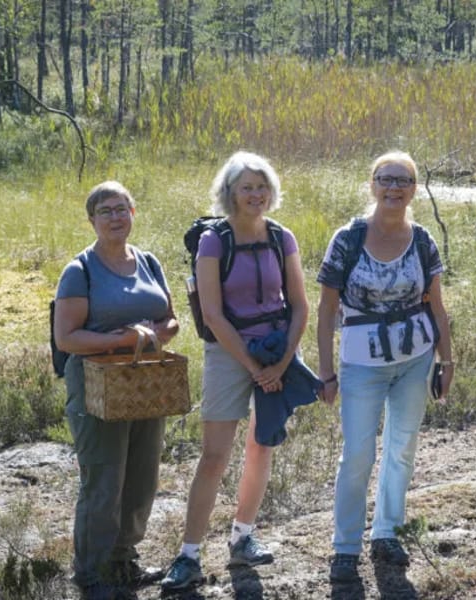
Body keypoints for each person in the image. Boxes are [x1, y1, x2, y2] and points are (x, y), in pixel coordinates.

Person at [160, 152, 310, 593]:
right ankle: (188, 555)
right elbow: (212, 314)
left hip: (276, 351)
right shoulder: (214, 241)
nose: (256, 195)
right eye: (246, 187)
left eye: (261, 186)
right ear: (230, 193)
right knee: (214, 455)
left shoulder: (282, 238)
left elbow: (299, 304)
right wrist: (253, 366)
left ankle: (243, 537)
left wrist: (280, 363)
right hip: (229, 353)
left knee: (262, 446)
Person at [316, 151, 454, 583]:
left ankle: (387, 532)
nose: (394, 188)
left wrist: (446, 359)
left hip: (416, 359)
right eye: (386, 179)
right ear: (373, 185)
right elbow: (325, 310)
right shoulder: (347, 239)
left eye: (403, 181)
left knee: (402, 446)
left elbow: (436, 305)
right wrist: (326, 370)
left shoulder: (424, 240)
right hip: (361, 363)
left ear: (414, 189)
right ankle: (345, 546)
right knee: (358, 453)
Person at [53, 181, 180, 600]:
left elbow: (172, 321)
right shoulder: (80, 271)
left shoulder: (148, 261)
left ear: (133, 212)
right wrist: (125, 339)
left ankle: (125, 561)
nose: (114, 217)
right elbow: (67, 338)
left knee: (142, 478)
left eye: (120, 209)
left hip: (145, 383)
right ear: (92, 220)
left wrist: (156, 334)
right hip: (96, 385)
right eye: (105, 211)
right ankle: (91, 573)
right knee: (104, 478)